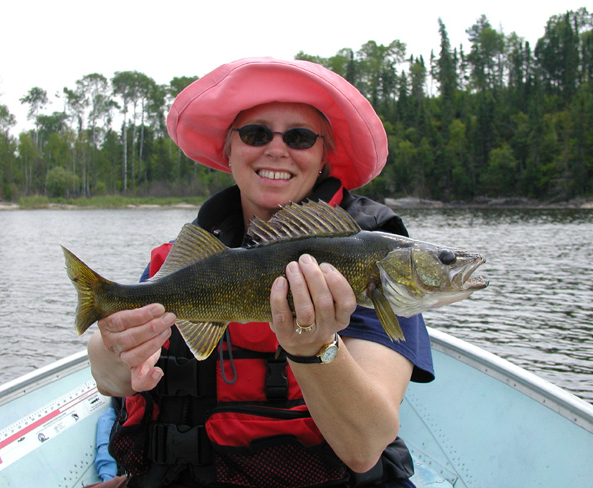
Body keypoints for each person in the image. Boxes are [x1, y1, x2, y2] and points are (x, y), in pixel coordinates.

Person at [86, 57, 434, 488]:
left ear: (324, 156)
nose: (276, 149)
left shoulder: (371, 256)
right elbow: (111, 379)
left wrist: (314, 348)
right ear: (228, 149)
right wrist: (113, 347)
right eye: (255, 134)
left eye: (300, 137)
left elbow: (365, 447)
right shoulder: (188, 257)